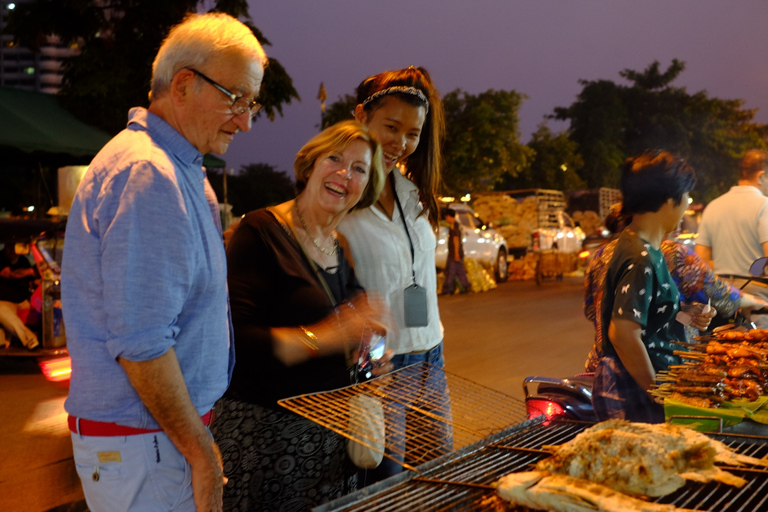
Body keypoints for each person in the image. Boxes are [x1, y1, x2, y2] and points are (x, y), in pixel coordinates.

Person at [61, 13, 266, 512]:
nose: (245, 120)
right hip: (147, 441)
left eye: (251, 103)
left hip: (152, 437)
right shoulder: (149, 173)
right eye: (236, 99)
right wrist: (201, 456)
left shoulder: (179, 167)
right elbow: (142, 344)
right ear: (183, 85)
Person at [212, 120, 390, 510]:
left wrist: (369, 346)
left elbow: (356, 321)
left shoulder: (338, 246)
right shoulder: (260, 231)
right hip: (266, 439)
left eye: (359, 168)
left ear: (366, 188)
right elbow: (238, 340)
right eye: (335, 159)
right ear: (310, 165)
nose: (345, 174)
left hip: (327, 439)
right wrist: (330, 336)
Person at [337, 66, 452, 484]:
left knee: (441, 480)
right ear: (360, 117)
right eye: (391, 127)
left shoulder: (412, 193)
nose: (401, 143)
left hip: (430, 357)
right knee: (387, 490)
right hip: (381, 365)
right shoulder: (340, 191)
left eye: (412, 133)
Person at [591, 151, 716, 423]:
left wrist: (685, 314)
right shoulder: (640, 256)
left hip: (641, 388)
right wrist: (658, 392)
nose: (686, 207)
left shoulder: (645, 247)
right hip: (633, 396)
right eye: (686, 198)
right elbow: (623, 333)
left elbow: (645, 316)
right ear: (669, 200)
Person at [584, 205, 767, 372]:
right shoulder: (671, 254)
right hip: (654, 368)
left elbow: (596, 311)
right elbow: (720, 293)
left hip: (601, 367)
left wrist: (680, 312)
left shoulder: (601, 254)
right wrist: (757, 301)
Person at [695, 149, 768, 327]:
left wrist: (726, 277)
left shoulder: (713, 206)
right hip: (757, 301)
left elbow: (700, 261)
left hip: (720, 297)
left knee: (722, 350)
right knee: (756, 352)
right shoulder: (764, 206)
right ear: (761, 176)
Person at [0, 241, 39, 349]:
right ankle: (30, 340)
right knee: (1, 311)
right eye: (9, 245)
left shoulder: (24, 261)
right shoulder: (1, 258)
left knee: (46, 307)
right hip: (4, 301)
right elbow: (10, 274)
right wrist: (30, 271)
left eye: (15, 246)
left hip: (22, 301)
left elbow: (30, 281)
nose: (11, 249)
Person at [441, 208, 472, 295]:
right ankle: (467, 286)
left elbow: (456, 240)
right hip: (454, 253)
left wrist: (456, 253)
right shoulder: (453, 226)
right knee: (459, 271)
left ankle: (446, 291)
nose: (446, 219)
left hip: (455, 254)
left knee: (450, 273)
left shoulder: (455, 226)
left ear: (449, 216)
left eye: (446, 217)